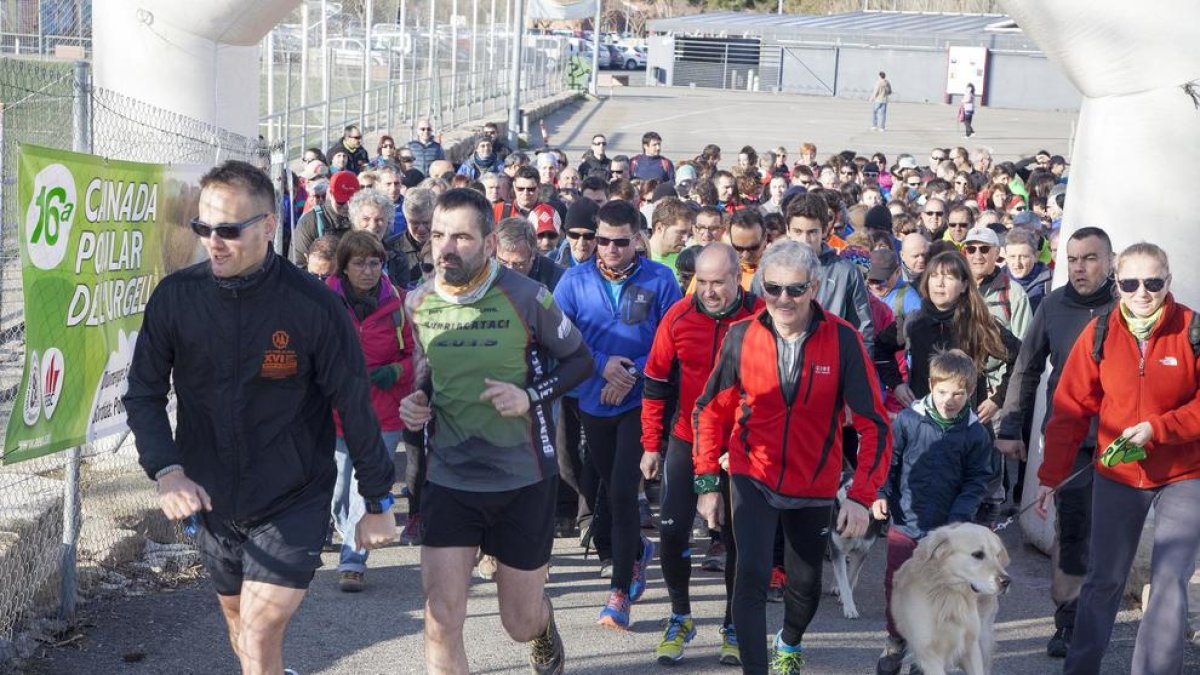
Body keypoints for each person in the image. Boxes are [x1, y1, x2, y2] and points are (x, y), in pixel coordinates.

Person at [124, 160, 397, 675]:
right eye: (203, 228)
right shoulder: (175, 299)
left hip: (293, 496)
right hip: (212, 498)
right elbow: (143, 394)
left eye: (228, 229)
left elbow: (352, 403)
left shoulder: (314, 306)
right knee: (240, 626)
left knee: (256, 628)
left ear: (269, 226)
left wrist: (379, 499)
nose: (213, 241)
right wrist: (168, 470)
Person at [400, 188, 593, 675]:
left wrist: (530, 396)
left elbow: (580, 362)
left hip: (522, 478)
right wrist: (416, 403)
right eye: (439, 235)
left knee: (518, 622)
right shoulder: (417, 302)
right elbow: (423, 375)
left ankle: (543, 627)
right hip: (449, 478)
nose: (446, 247)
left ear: (488, 243)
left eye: (461, 237)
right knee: (442, 615)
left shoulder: (528, 297)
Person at [693, 239, 891, 675]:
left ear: (815, 287)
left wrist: (860, 496)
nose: (783, 299)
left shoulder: (843, 340)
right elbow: (709, 410)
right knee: (751, 575)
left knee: (805, 587)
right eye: (773, 288)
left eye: (796, 290)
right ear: (761, 285)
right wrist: (707, 481)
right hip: (752, 473)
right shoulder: (741, 336)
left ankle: (791, 640)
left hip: (814, 482)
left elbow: (874, 423)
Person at [1036, 242, 1200, 675]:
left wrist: (1160, 428)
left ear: (1169, 281)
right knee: (1104, 579)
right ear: (1117, 284)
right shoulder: (1101, 331)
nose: (1142, 292)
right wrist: (1051, 476)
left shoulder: (1191, 328)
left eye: (1153, 282)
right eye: (1130, 283)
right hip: (1119, 472)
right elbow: (1069, 409)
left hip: (1184, 471)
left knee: (1169, 584)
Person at [553, 199, 682, 629]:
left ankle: (620, 592)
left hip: (641, 402)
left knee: (625, 493)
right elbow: (558, 337)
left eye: (619, 242)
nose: (607, 248)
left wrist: (633, 373)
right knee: (610, 489)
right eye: (601, 240)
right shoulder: (573, 280)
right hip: (593, 398)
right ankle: (639, 550)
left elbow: (672, 339)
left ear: (638, 239)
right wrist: (602, 363)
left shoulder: (661, 279)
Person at [995, 227, 1115, 659]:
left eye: (1090, 258)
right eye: (1073, 259)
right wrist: (1011, 427)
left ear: (1110, 261)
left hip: (1123, 443)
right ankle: (1069, 621)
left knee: (1113, 534)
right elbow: (1026, 369)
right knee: (1074, 531)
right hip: (1071, 440)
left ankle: (1101, 616)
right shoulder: (1053, 305)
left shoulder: (1128, 306)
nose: (1080, 268)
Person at [641, 243, 763, 667]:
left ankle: (731, 624)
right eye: (701, 282)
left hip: (741, 445)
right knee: (672, 532)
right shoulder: (678, 315)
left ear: (737, 278)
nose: (708, 292)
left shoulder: (760, 315)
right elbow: (655, 383)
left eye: (718, 283)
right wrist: (650, 446)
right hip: (686, 437)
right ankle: (680, 616)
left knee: (735, 539)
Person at [872, 349, 995, 675]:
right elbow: (890, 461)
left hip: (946, 530)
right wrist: (881, 493)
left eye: (958, 393)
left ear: (970, 393)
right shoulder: (909, 420)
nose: (949, 400)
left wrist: (960, 516)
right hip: (905, 521)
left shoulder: (974, 433)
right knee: (897, 583)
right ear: (930, 385)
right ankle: (896, 637)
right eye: (942, 391)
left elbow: (977, 478)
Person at [325, 230, 415, 592]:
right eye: (359, 263)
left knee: (364, 486)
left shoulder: (400, 304)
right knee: (339, 487)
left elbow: (417, 356)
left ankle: (352, 559)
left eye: (374, 263)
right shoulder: (324, 300)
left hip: (383, 409)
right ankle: (347, 528)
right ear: (344, 267)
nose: (367, 270)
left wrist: (395, 371)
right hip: (336, 409)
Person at [291, 170, 360, 268]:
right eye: (341, 201)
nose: (346, 206)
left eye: (352, 202)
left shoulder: (364, 219)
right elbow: (298, 264)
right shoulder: (310, 222)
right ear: (330, 194)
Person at [494, 216, 565, 291]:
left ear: (533, 254)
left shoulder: (558, 279)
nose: (510, 270)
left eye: (518, 264)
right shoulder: (485, 272)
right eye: (503, 262)